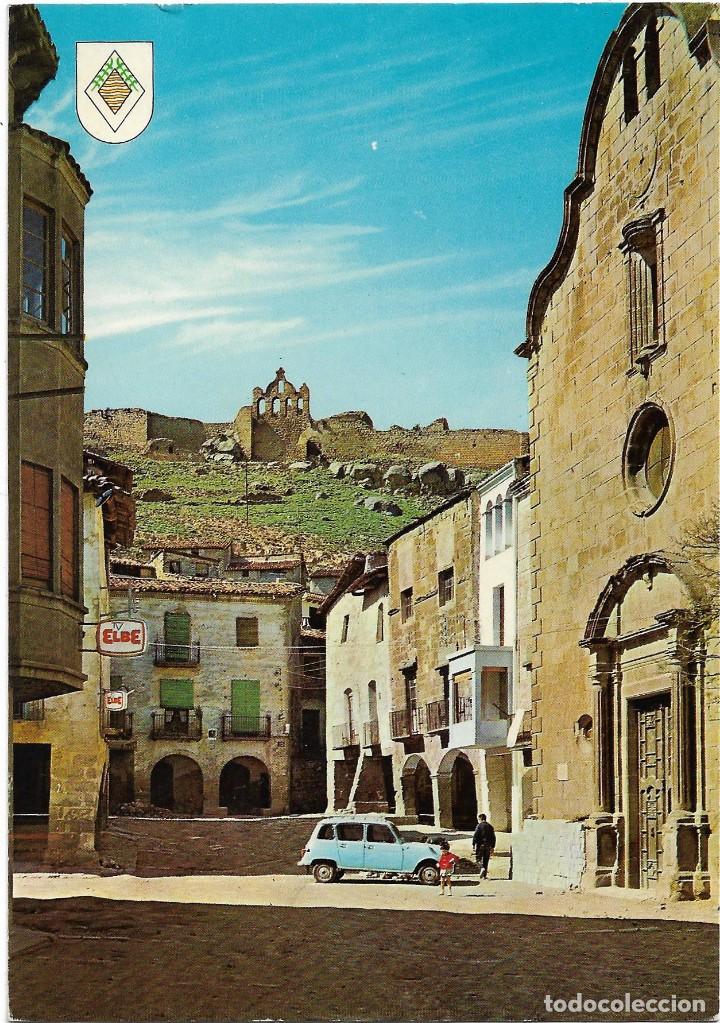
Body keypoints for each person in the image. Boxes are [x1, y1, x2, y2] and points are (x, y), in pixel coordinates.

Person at [472, 814, 496, 878]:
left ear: (480, 819)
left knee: (478, 859)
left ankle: (482, 868)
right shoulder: (490, 826)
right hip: (488, 846)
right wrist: (493, 846)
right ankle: (484, 875)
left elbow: (475, 836)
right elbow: (493, 837)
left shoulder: (479, 826)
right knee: (486, 860)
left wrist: (473, 844)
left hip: (480, 845)